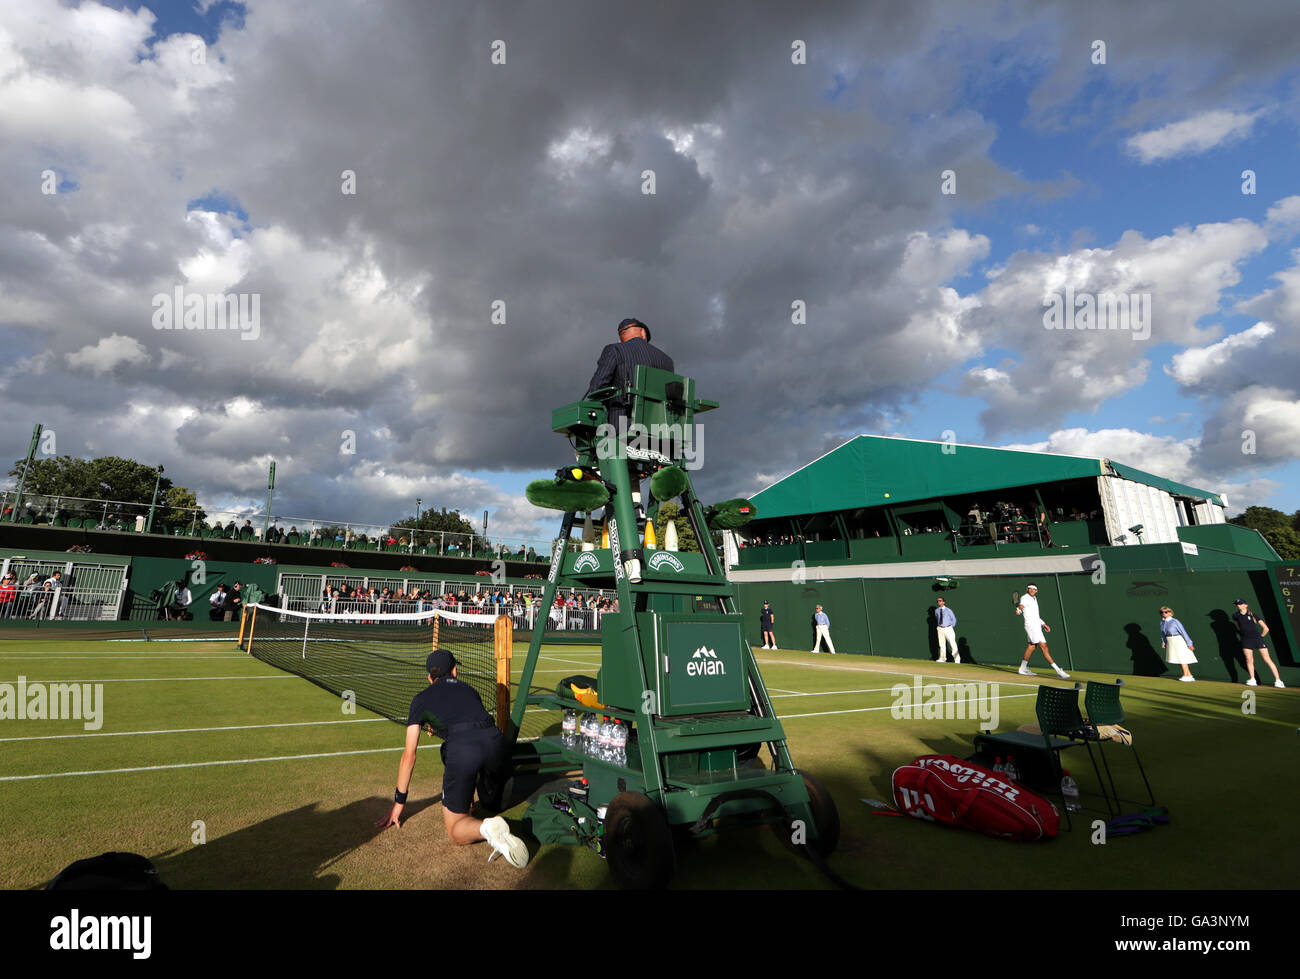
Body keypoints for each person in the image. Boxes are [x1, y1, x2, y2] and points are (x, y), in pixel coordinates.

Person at [376, 649, 528, 868]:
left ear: (430, 677)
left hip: (465, 750)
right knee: (486, 792)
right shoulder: (470, 690)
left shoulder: (420, 699)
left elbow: (409, 754)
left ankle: (487, 828)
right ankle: (486, 795)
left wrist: (399, 802)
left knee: (456, 830)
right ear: (455, 671)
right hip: (497, 744)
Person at [585, 318, 674, 420]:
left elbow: (596, 388)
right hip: (659, 427)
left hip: (623, 425)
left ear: (620, 339)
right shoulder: (667, 360)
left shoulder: (615, 349)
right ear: (643, 332)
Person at [1015, 584, 1068, 678]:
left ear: (1036, 591)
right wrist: (1019, 609)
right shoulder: (1025, 597)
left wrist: (1043, 624)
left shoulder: (1034, 599)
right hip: (1031, 626)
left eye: (1034, 589)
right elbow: (1021, 605)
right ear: (1027, 589)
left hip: (1036, 626)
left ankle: (1022, 668)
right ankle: (1058, 670)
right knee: (1044, 646)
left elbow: (1035, 615)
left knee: (1031, 647)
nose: (1032, 590)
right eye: (1030, 589)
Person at [1232, 598, 1284, 688]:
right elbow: (1238, 628)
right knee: (1249, 660)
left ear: (1245, 605)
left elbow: (1266, 628)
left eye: (1240, 604)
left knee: (1267, 659)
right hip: (1246, 640)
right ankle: (1252, 679)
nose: (1238, 605)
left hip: (1258, 639)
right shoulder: (1235, 615)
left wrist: (1261, 637)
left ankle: (1278, 681)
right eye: (1237, 604)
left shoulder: (1252, 614)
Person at [1159, 606, 1196, 682]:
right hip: (1170, 641)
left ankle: (1186, 675)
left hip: (1178, 640)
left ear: (1170, 613)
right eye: (1162, 612)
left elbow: (1183, 632)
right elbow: (1163, 634)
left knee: (1182, 658)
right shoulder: (1162, 622)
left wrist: (1189, 643)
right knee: (1178, 658)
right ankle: (1189, 675)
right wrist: (1164, 642)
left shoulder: (1175, 621)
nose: (1164, 613)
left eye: (1166, 612)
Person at [934, 596, 960, 663]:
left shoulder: (948, 610)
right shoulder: (936, 611)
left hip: (948, 629)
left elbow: (954, 619)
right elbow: (937, 618)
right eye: (938, 601)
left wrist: (949, 627)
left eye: (940, 601)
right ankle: (942, 658)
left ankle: (957, 659)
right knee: (941, 645)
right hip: (940, 629)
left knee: (952, 643)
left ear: (943, 602)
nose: (939, 602)